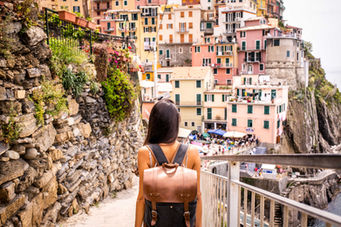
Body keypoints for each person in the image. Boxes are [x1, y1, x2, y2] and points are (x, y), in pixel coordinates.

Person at [135, 99, 202, 227]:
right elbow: (197, 196)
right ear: (175, 124)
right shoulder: (192, 152)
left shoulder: (145, 153)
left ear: (153, 123)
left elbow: (141, 198)